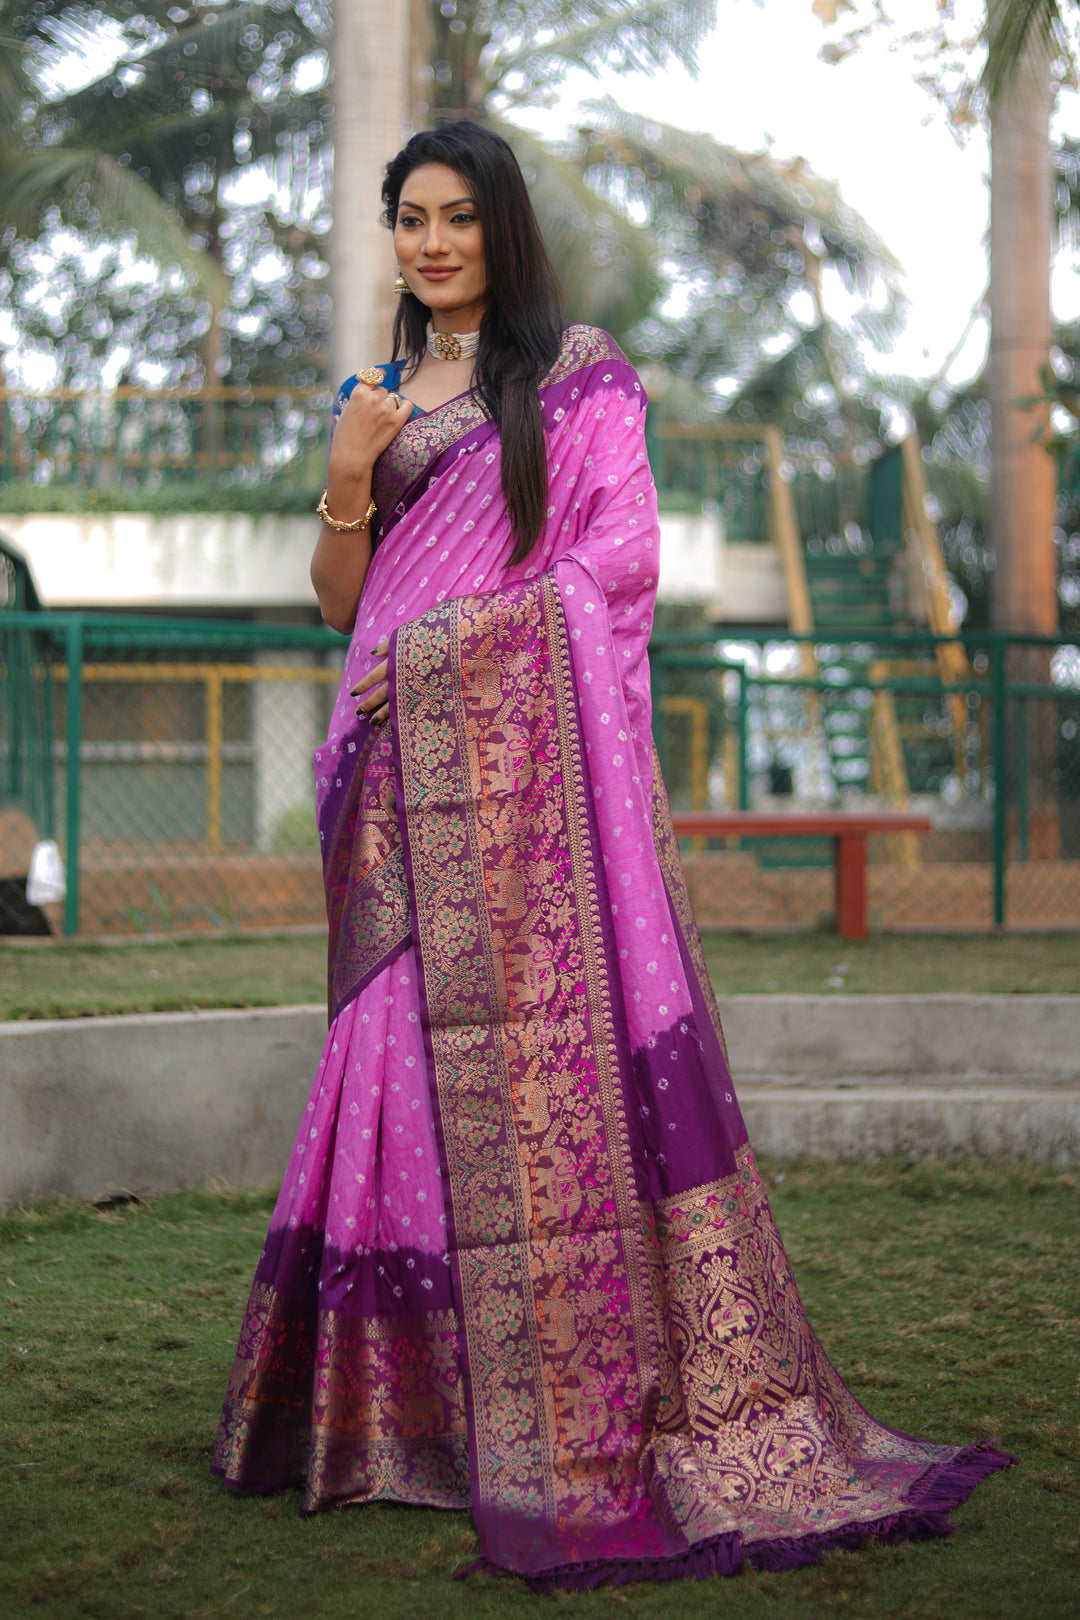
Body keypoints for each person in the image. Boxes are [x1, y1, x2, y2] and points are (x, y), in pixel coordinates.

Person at [212, 121, 1012, 1591]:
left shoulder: (576, 375)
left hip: (524, 801)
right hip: (398, 787)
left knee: (539, 1073)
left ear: (500, 227)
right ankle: (408, 1423)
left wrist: (448, 644)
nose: (432, 243)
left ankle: (559, 1406)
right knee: (385, 1056)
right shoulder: (382, 400)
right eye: (409, 219)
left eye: (457, 216)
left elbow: (617, 563)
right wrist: (347, 466)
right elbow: (343, 605)